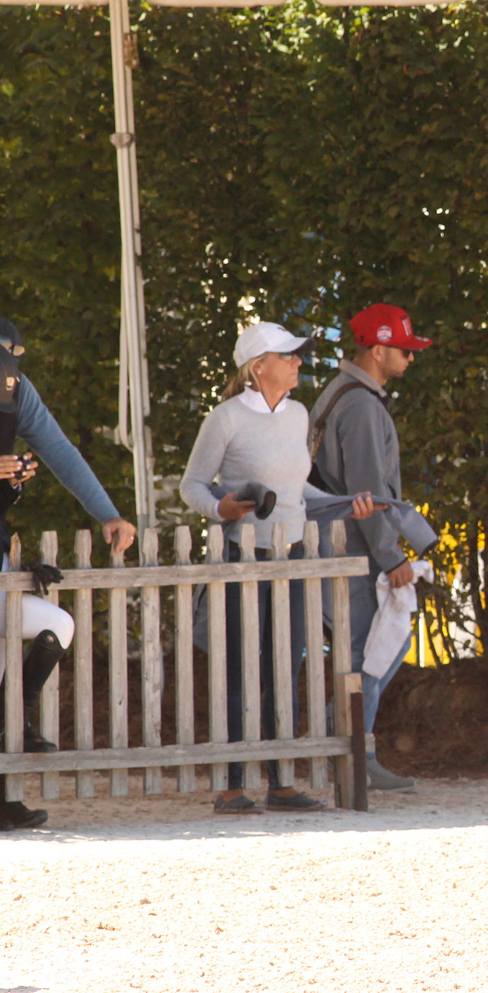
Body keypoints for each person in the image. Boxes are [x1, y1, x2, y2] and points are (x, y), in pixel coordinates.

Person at [180, 321, 377, 815]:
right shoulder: (224, 419)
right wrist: (220, 509)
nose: (297, 362)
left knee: (285, 668)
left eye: (296, 355)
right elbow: (192, 486)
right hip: (243, 560)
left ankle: (281, 782)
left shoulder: (299, 415)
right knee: (238, 670)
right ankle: (231, 786)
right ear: (258, 366)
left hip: (293, 558)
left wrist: (344, 503)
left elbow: (297, 491)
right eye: (288, 356)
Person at [0, 318, 137, 830]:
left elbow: (59, 450)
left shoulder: (17, 390)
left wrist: (108, 514)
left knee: (55, 625)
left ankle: (15, 730)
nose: (9, 370)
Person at [309, 303, 433, 793]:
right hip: (354, 547)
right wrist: (392, 556)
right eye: (404, 349)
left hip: (337, 543)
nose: (410, 357)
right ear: (378, 350)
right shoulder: (360, 405)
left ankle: (341, 748)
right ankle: (353, 754)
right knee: (372, 650)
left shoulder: (341, 393)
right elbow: (369, 491)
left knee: (367, 651)